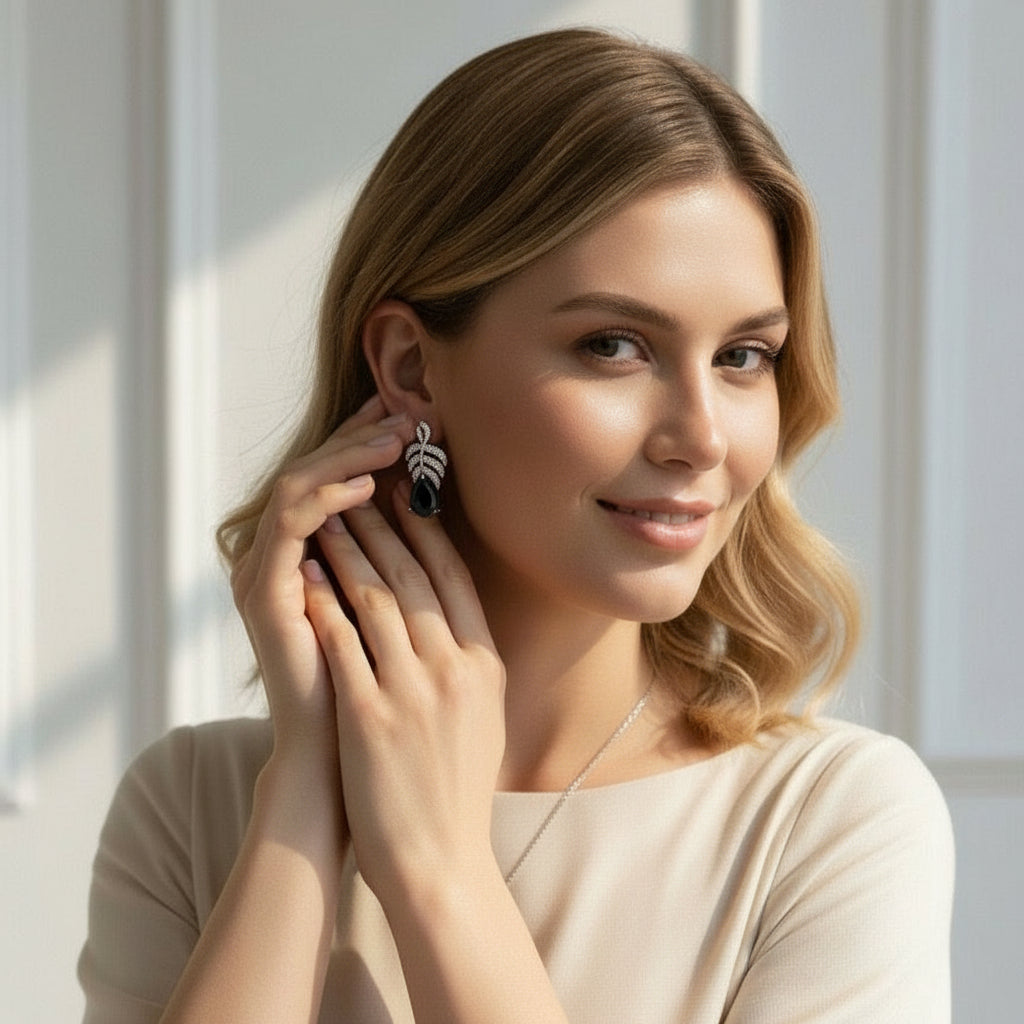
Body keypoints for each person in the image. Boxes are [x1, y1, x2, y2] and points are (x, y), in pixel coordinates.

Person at [78, 27, 954, 1024]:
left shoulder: (829, 822)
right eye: (615, 345)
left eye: (743, 356)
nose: (702, 436)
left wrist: (440, 869)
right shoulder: (192, 807)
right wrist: (306, 791)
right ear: (411, 367)